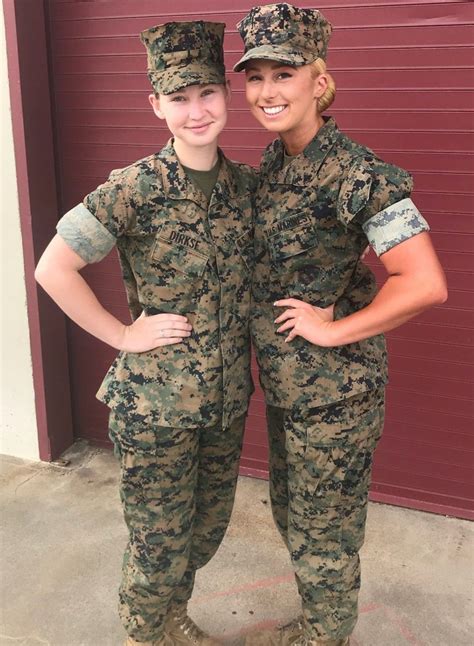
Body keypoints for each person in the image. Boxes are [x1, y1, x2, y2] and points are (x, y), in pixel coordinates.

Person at [35, 20, 257, 646]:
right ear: (156, 105)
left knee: (206, 529)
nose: (196, 111)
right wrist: (121, 334)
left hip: (222, 404)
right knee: (157, 542)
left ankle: (172, 619)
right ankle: (144, 632)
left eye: (208, 93)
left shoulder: (245, 191)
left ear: (225, 97)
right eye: (179, 98)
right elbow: (53, 268)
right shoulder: (134, 188)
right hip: (156, 407)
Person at [233, 4, 448, 646]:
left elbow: (426, 283)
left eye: (284, 74)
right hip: (288, 389)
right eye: (255, 76)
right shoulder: (274, 165)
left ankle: (325, 637)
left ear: (319, 82)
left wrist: (331, 330)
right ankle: (317, 625)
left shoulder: (359, 175)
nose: (268, 91)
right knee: (294, 514)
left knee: (325, 530)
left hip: (336, 399)